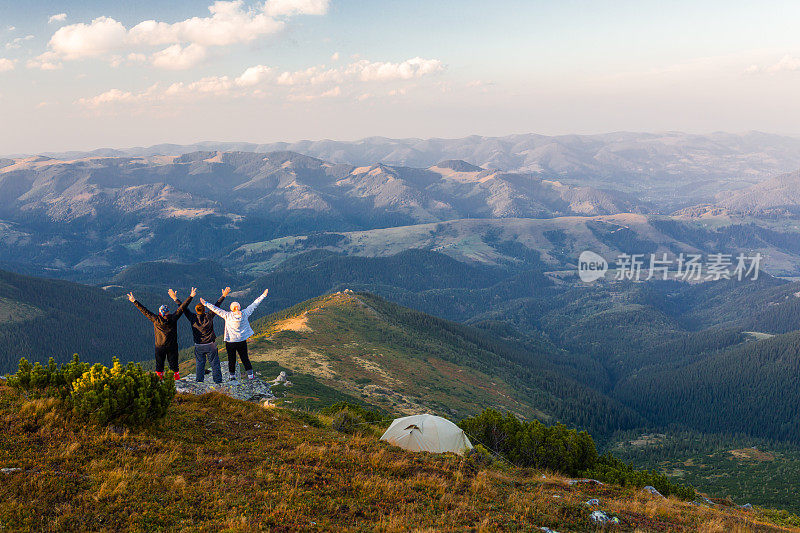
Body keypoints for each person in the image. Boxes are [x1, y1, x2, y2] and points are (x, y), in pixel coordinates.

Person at [128, 288, 196, 380]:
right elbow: (182, 307)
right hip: (172, 346)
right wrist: (190, 296)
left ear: (160, 312)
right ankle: (176, 381)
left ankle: (159, 382)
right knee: (174, 366)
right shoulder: (173, 318)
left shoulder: (156, 319)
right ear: (168, 312)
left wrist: (134, 301)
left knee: (159, 366)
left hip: (159, 347)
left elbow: (144, 310)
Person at [200, 289, 269, 381]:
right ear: (239, 307)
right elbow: (254, 304)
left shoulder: (227, 315)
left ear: (231, 309)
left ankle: (232, 376)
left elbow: (216, 309)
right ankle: (250, 375)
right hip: (241, 341)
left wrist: (206, 303)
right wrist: (263, 295)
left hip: (231, 342)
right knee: (245, 358)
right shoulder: (245, 313)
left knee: (231, 359)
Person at [168, 287, 230, 384]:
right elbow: (216, 306)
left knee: (200, 363)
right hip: (211, 344)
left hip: (199, 345)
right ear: (204, 309)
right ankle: (218, 381)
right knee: (214, 363)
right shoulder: (208, 316)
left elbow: (183, 308)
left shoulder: (192, 317)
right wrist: (223, 295)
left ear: (196, 310)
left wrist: (175, 298)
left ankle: (199, 381)